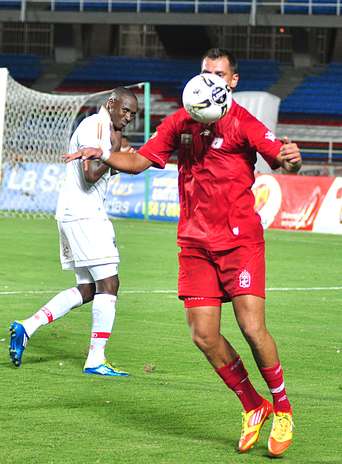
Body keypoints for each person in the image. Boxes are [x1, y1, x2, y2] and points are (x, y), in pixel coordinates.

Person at [64, 48, 301, 456]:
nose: (209, 78)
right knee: (203, 335)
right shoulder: (180, 121)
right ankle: (252, 406)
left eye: (218, 73)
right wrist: (103, 153)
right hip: (194, 244)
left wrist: (291, 160)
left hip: (240, 241)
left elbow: (281, 158)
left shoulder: (243, 123)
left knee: (251, 328)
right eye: (204, 71)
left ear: (233, 81)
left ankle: (282, 407)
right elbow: (139, 159)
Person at [9, 87, 138, 377]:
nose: (129, 117)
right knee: (110, 284)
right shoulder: (95, 126)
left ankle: (26, 327)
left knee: (89, 289)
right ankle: (96, 359)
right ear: (111, 103)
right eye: (125, 110)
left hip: (74, 213)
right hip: (84, 215)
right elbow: (91, 174)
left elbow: (102, 166)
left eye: (133, 114)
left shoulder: (105, 128)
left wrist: (115, 156)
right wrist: (113, 152)